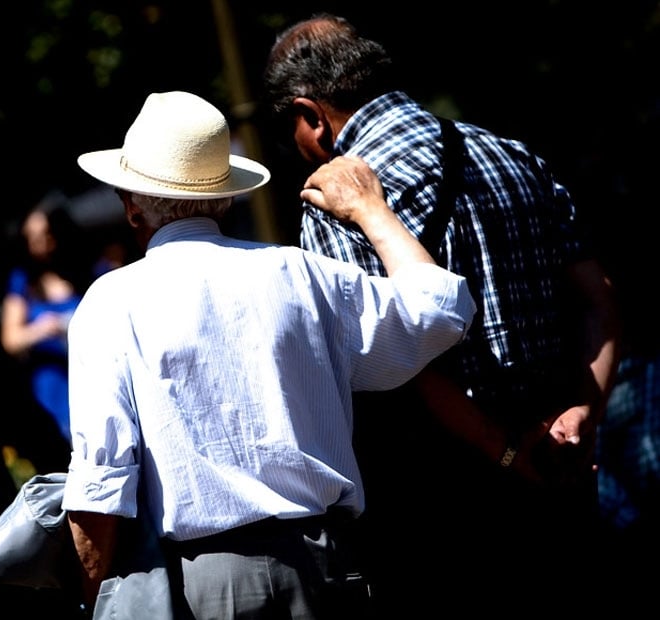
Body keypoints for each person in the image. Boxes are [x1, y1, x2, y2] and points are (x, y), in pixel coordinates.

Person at [62, 90, 476, 619]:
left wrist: (92, 597)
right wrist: (371, 210)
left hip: (206, 589)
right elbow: (440, 310)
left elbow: (102, 481)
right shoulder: (300, 273)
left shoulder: (111, 302)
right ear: (225, 197)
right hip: (328, 568)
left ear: (131, 207)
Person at [262, 13, 622, 608]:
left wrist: (504, 452)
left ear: (311, 116)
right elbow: (600, 300)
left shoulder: (335, 197)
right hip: (565, 469)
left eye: (289, 134)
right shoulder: (509, 153)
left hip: (447, 502)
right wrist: (584, 412)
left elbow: (394, 365)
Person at [0, 192, 94, 476]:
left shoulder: (85, 274)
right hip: (48, 391)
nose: (39, 243)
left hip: (85, 383)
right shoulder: (23, 283)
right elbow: (11, 339)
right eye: (32, 236)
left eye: (45, 234)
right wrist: (45, 328)